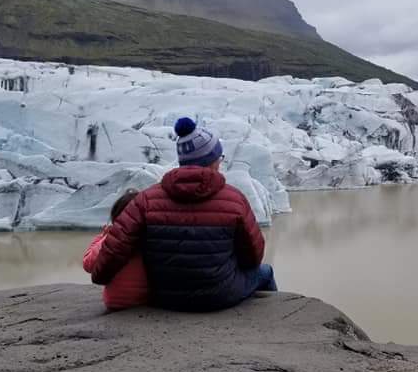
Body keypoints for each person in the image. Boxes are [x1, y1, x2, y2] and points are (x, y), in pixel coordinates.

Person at [88, 117, 277, 311]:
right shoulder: (234, 199)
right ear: (211, 162)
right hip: (220, 295)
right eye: (219, 158)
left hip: (164, 296)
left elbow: (111, 254)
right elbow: (253, 257)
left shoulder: (146, 200)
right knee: (265, 272)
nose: (220, 163)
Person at [82, 189, 150, 311]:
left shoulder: (111, 239)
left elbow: (88, 264)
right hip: (150, 300)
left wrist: (102, 237)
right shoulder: (153, 237)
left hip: (117, 302)